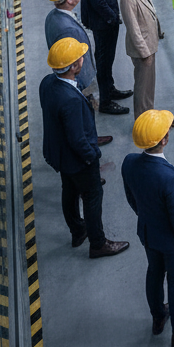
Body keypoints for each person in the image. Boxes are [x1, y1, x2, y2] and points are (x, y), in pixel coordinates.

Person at [122, 110, 174, 347]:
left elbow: (132, 198)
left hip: (149, 233)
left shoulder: (129, 162)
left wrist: (146, 218)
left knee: (154, 273)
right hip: (173, 241)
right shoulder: (168, 177)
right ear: (164, 139)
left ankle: (158, 316)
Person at [39, 38, 128, 258]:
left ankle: (78, 231)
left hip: (60, 156)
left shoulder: (48, 83)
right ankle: (98, 243)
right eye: (80, 57)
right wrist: (92, 156)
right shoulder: (70, 100)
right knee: (92, 195)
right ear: (74, 66)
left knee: (69, 191)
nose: (82, 58)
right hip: (78, 160)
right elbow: (78, 139)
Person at [45, 0, 111, 147]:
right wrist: (82, 86)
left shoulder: (53, 17)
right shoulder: (68, 30)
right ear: (69, 0)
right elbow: (73, 62)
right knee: (86, 113)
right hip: (81, 79)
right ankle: (91, 141)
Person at [119, 0, 174, 125]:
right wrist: (145, 53)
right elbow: (133, 29)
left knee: (148, 86)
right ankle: (142, 122)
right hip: (142, 49)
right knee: (142, 87)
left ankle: (149, 115)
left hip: (149, 45)